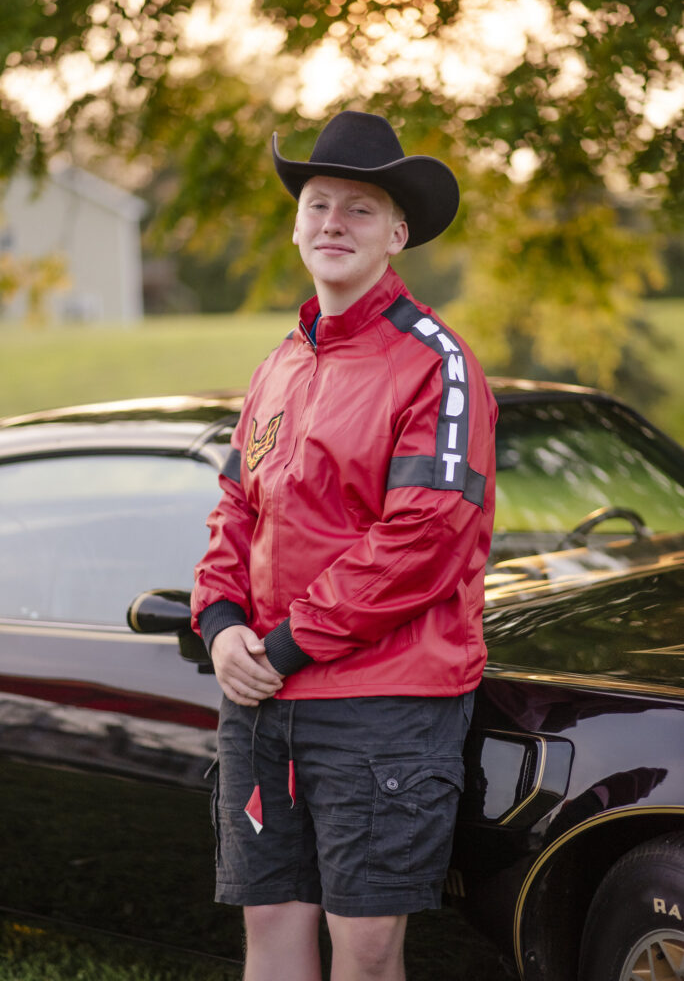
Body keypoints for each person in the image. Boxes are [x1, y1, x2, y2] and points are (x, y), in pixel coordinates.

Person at [191, 109, 498, 981]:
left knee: (365, 958)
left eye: (359, 208)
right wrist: (219, 623)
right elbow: (234, 505)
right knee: (273, 937)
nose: (333, 222)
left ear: (397, 234)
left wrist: (283, 645)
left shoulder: (435, 363)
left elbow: (423, 539)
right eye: (318, 204)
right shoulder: (280, 363)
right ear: (296, 227)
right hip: (260, 699)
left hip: (381, 706)